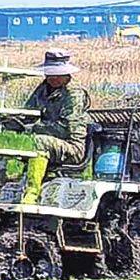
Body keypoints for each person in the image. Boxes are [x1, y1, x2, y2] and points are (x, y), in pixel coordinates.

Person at [21, 49, 90, 204]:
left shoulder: (74, 94)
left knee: (38, 141)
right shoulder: (43, 89)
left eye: (56, 74)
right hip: (49, 140)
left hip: (71, 146)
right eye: (49, 74)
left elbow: (65, 128)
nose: (52, 78)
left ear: (66, 74)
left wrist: (34, 128)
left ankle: (32, 192)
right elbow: (28, 113)